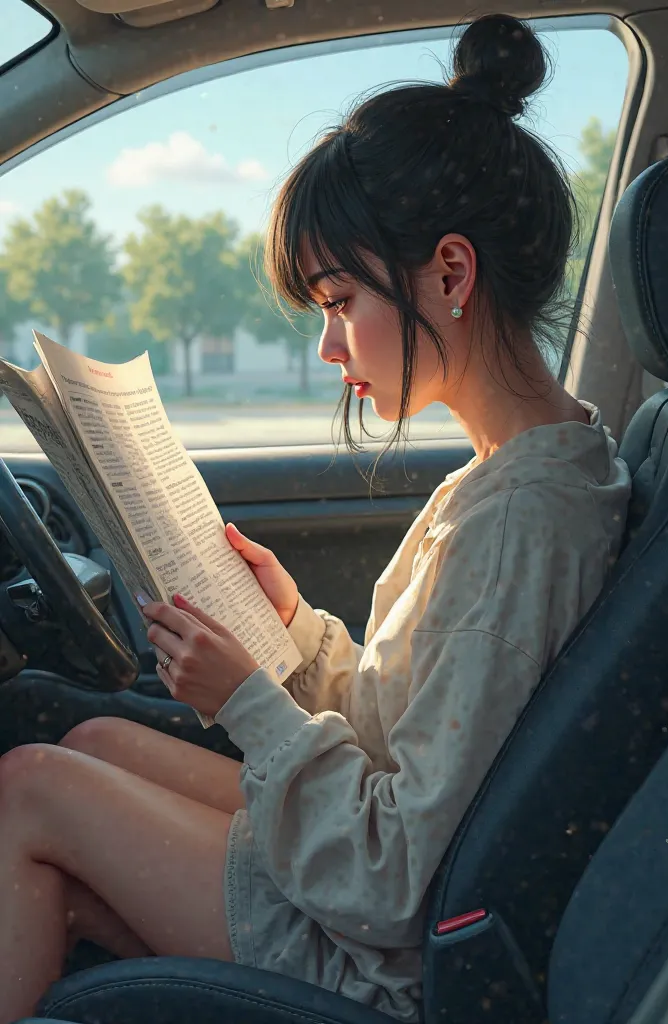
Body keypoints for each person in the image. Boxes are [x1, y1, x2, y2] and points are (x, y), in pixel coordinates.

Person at [0, 14, 631, 1023]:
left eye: (339, 300)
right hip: (373, 882)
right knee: (95, 743)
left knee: (32, 783)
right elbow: (416, 729)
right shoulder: (520, 471)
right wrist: (293, 631)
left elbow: (393, 871)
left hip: (373, 957)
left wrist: (251, 698)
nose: (330, 348)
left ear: (452, 276)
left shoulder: (522, 523)